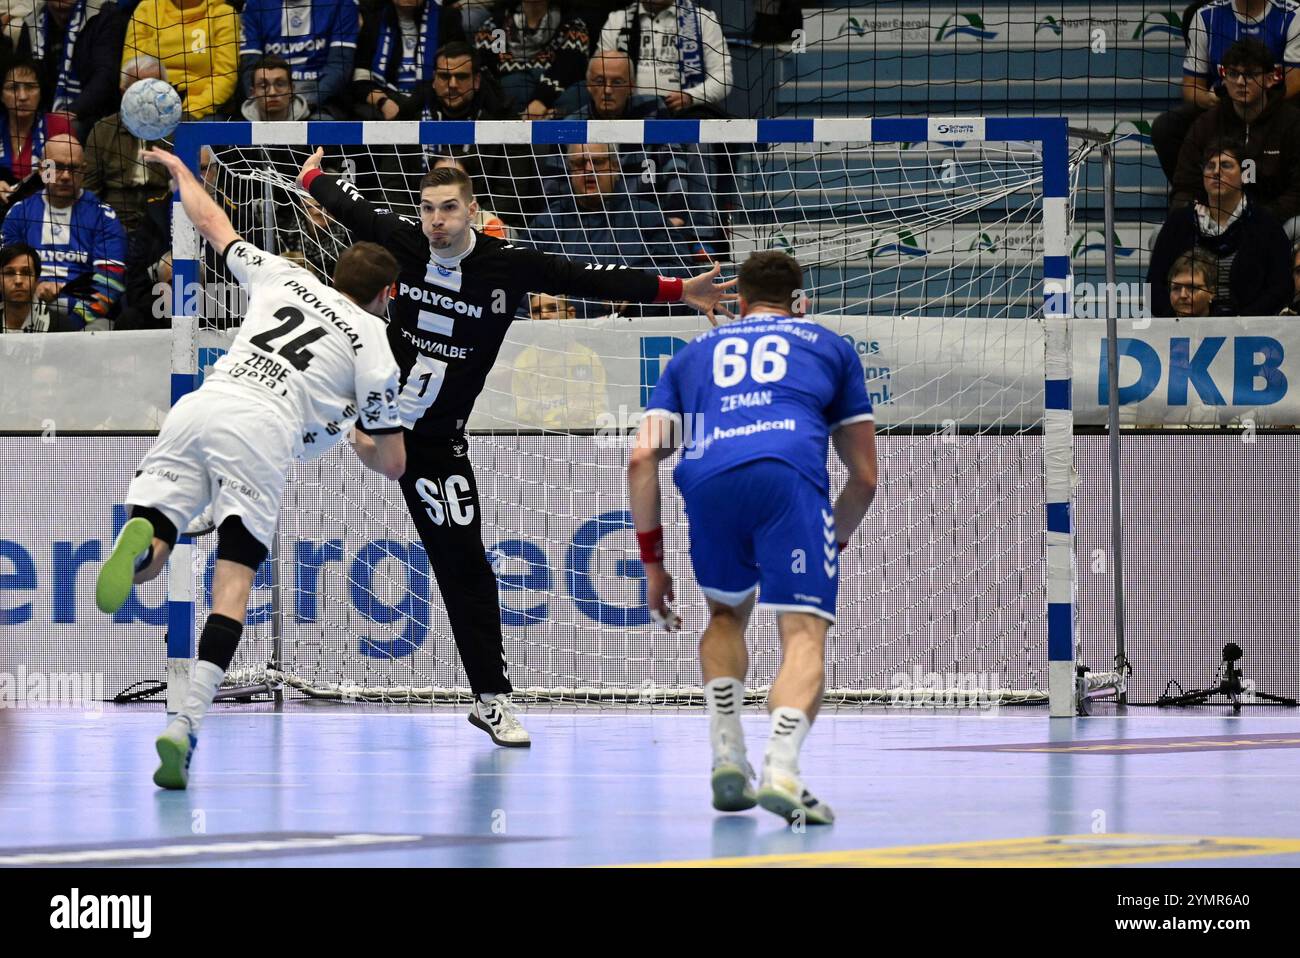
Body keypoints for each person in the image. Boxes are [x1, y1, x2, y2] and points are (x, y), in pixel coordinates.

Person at [296, 146, 735, 746]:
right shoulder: (402, 238)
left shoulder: (510, 263)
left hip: (435, 443)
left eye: (449, 209)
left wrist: (679, 289)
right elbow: (349, 205)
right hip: (366, 411)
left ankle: (491, 699)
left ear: (473, 211)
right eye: (428, 209)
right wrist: (316, 177)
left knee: (464, 565)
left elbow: (587, 277)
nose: (436, 221)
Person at [95, 145, 406, 790]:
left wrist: (182, 175)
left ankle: (142, 545)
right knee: (231, 585)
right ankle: (185, 725)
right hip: (262, 433)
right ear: (387, 294)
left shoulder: (283, 277)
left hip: (203, 404)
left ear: (332, 270)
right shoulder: (376, 344)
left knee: (159, 535)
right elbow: (395, 463)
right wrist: (356, 435)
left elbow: (214, 226)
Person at [627, 249, 878, 825]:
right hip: (786, 477)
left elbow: (642, 458)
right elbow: (865, 477)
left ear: (736, 302)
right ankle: (783, 770)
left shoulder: (691, 357)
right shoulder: (828, 345)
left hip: (707, 480)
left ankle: (727, 757)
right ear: (800, 302)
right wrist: (829, 541)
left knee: (724, 617)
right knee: (804, 633)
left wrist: (653, 566)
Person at [1152, 0, 1300, 181]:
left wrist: (1255, 104)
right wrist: (1211, 99)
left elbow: (1294, 84)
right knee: (1166, 128)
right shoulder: (1205, 16)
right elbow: (1191, 88)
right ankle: (1202, 199)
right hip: (1223, 111)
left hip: (1272, 112)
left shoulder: (1293, 14)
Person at [1148, 138, 1293, 316]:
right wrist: (1177, 321)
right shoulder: (1179, 222)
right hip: (1185, 329)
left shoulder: (1265, 225)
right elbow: (1154, 287)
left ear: (1244, 174)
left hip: (1249, 332)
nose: (1216, 172)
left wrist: (1242, 324)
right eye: (1210, 166)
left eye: (1226, 165)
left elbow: (1281, 288)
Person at [1171, 39, 1300, 237]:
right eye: (1233, 74)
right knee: (1162, 233)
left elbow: (1297, 192)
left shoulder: (1292, 123)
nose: (1240, 82)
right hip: (1217, 223)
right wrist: (1197, 213)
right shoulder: (1207, 124)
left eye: (1250, 74)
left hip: (1275, 222)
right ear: (1224, 78)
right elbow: (1185, 185)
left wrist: (1262, 217)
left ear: (1270, 78)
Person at [0, 133, 126, 329]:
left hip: (83, 318)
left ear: (84, 171)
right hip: (24, 311)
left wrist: (68, 323)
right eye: (57, 167)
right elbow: (6, 275)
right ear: (42, 169)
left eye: (73, 168)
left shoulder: (104, 217)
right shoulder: (19, 214)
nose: (66, 176)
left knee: (101, 329)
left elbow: (110, 285)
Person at [0, 0, 126, 140]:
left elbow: (106, 77)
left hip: (92, 114)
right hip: (43, 112)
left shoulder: (104, 16)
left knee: (64, 132)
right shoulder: (32, 22)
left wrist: (71, 111)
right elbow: (22, 75)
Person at [82, 56, 173, 235]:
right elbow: (89, 191)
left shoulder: (182, 128)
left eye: (155, 88)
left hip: (166, 224)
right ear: (124, 92)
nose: (149, 96)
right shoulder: (103, 130)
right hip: (114, 224)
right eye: (141, 88)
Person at [597, 0, 731, 111]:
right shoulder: (616, 21)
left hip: (686, 117)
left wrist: (691, 96)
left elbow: (723, 78)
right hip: (629, 116)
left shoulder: (704, 20)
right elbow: (597, 74)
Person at [121, 0, 240, 119]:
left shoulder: (224, 14)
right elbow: (131, 68)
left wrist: (193, 110)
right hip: (148, 105)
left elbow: (226, 75)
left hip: (201, 110)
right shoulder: (147, 8)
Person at [350, 0, 466, 119]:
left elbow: (455, 73)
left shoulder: (447, 19)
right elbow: (361, 78)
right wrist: (383, 102)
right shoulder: (374, 21)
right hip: (384, 108)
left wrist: (407, 107)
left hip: (433, 105)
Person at [239, 0, 359, 116]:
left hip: (321, 94)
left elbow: (339, 66)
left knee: (321, 125)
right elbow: (250, 68)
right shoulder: (255, 4)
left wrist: (305, 104)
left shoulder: (343, 3)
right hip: (271, 90)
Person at [473, 0, 589, 118]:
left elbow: (569, 68)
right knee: (514, 83)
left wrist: (540, 100)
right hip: (508, 101)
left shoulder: (572, 24)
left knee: (581, 92)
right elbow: (487, 70)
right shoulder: (496, 26)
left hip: (555, 100)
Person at [0, 60, 73, 201]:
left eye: (30, 87)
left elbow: (65, 180)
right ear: (1, 96)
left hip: (44, 208)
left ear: (41, 92)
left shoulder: (57, 127)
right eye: (13, 88)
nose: (22, 96)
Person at [0, 241, 68, 331]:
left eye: (26, 273)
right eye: (9, 273)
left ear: (37, 280)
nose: (18, 281)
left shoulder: (62, 327)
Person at [239, 54, 318, 121]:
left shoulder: (314, 127)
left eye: (280, 84)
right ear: (253, 92)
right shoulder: (237, 128)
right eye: (263, 86)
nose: (272, 93)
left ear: (291, 90)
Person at [1166, 249, 1219, 317]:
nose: (1183, 295)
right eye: (1176, 288)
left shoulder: (1228, 325)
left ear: (1211, 292)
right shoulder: (1157, 326)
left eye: (1192, 288)